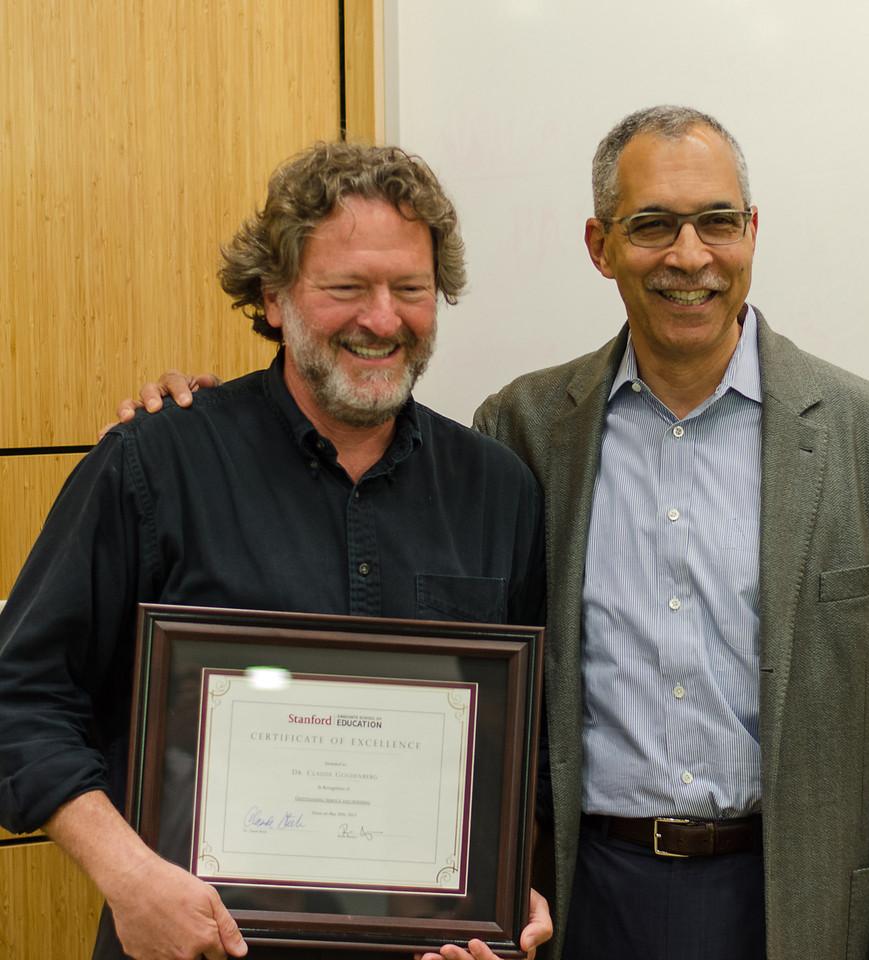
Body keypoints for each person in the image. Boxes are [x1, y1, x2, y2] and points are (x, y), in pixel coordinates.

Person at [130, 107, 869, 960]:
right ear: (600, 246)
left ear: (751, 232)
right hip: (582, 896)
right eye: (652, 226)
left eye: (716, 221)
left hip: (795, 902)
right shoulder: (525, 429)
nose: (689, 255)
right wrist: (208, 424)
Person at [0, 142, 551, 960]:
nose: (383, 318)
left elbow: (524, 744)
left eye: (411, 288)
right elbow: (20, 697)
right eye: (345, 288)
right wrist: (129, 878)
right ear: (272, 296)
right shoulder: (156, 464)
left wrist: (515, 893)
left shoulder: (497, 489)